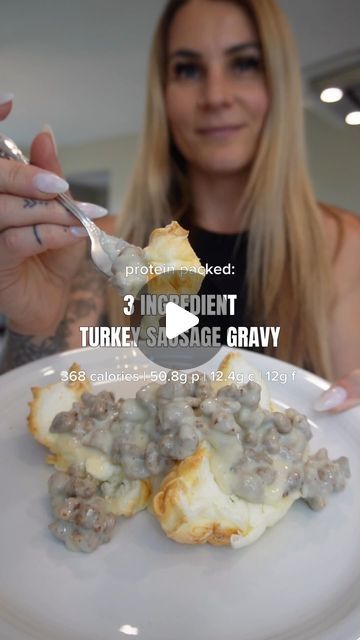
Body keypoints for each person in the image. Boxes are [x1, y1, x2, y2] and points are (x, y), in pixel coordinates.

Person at [0, 0, 359, 412]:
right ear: (163, 94)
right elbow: (37, 434)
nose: (216, 95)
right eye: (188, 70)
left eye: (244, 64)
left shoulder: (345, 248)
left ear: (278, 82)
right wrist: (33, 328)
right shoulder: (102, 248)